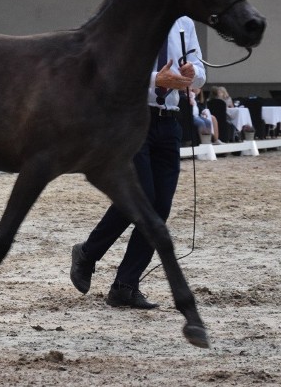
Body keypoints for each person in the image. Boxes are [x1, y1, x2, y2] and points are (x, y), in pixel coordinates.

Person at [70, 17, 205, 309]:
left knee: (159, 209)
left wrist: (193, 73)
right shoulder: (129, 15)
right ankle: (89, 253)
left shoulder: (184, 24)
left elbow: (200, 71)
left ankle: (124, 285)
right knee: (142, 197)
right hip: (131, 118)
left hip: (169, 123)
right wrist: (156, 79)